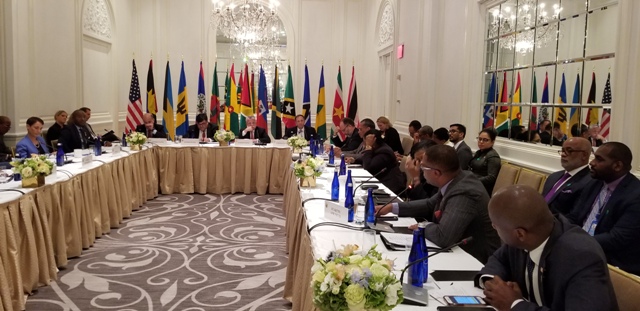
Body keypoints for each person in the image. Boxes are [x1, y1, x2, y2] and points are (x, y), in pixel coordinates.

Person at [477, 185, 618, 311]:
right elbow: (499, 260)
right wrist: (493, 283)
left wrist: (514, 304)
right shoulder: (528, 236)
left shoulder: (582, 258)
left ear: (520, 233)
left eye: (495, 226)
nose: (493, 228)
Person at [375, 145, 500, 264]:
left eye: (423, 168)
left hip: (476, 260)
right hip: (458, 250)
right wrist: (392, 207)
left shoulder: (464, 192)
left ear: (436, 173)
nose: (421, 172)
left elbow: (443, 236)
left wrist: (423, 226)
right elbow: (430, 204)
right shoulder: (455, 179)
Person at [566, 142, 640, 275]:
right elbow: (574, 217)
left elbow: (616, 238)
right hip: (581, 248)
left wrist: (575, 241)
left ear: (617, 166)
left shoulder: (635, 195)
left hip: (610, 260)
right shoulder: (595, 182)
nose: (592, 163)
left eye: (599, 159)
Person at [541, 137, 592, 215]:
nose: (563, 154)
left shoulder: (590, 182)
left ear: (584, 155)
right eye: (562, 150)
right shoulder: (553, 176)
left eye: (569, 151)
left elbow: (574, 217)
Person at [356, 129, 405, 194]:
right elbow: (369, 158)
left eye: (366, 141)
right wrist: (354, 160)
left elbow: (368, 167)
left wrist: (368, 147)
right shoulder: (378, 148)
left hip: (390, 186)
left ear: (373, 141)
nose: (364, 144)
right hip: (381, 181)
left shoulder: (384, 152)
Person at [468, 128, 501, 195]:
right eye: (479, 139)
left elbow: (491, 178)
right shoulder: (478, 152)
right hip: (472, 184)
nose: (481, 142)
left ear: (492, 142)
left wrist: (473, 181)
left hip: (483, 189)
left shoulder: (493, 156)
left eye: (485, 140)